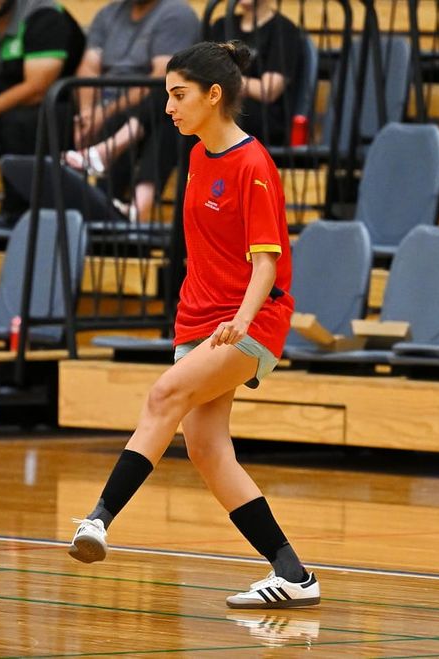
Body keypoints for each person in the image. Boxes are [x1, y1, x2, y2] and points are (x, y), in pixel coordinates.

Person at [68, 41, 320, 609]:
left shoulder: (253, 166)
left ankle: (97, 520)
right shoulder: (201, 154)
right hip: (198, 319)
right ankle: (294, 574)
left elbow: (268, 262)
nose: (168, 108)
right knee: (207, 450)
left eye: (177, 95)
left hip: (249, 320)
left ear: (213, 95)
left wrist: (241, 320)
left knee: (164, 397)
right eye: (166, 96)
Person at [0, 0, 85, 216]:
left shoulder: (45, 16)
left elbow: (36, 89)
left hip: (56, 110)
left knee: (18, 123)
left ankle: (15, 214)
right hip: (3, 108)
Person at [66, 0, 199, 220]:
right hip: (109, 106)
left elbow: (162, 75)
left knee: (166, 103)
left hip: (154, 106)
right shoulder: (107, 13)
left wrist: (103, 113)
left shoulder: (176, 13)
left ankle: (116, 194)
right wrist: (88, 113)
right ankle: (101, 209)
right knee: (53, 112)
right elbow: (88, 68)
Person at [206, 0, 304, 146]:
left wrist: (228, 82)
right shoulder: (221, 25)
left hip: (264, 118)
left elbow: (269, 90)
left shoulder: (284, 30)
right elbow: (203, 72)